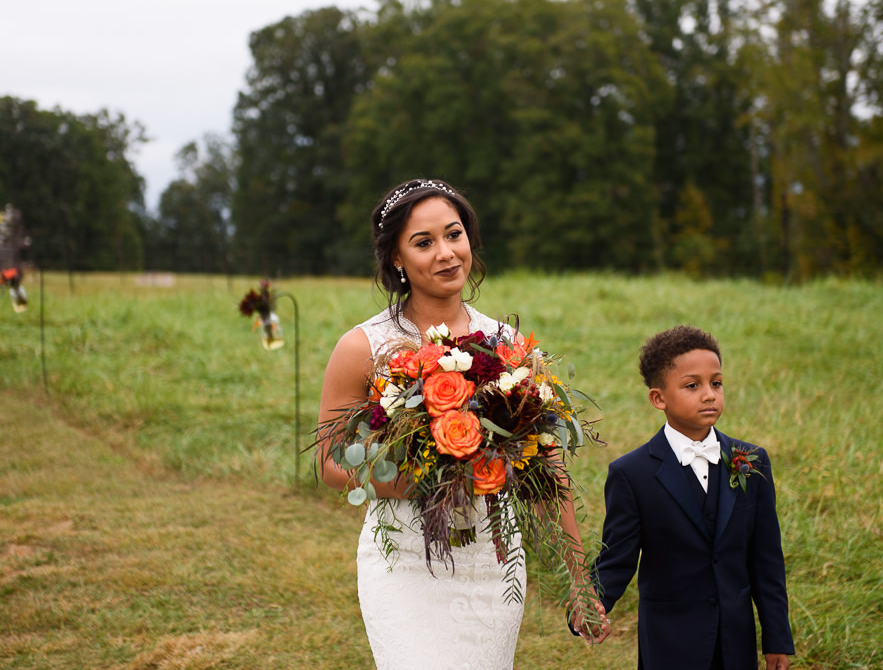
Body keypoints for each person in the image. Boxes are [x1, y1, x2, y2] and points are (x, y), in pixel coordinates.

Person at [317, 178, 607, 670]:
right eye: (424, 243)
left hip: (492, 562)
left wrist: (580, 579)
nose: (446, 253)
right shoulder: (362, 347)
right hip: (402, 558)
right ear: (396, 259)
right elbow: (329, 463)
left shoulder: (507, 343)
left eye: (454, 234)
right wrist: (411, 481)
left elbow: (548, 469)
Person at [587, 325, 794, 670]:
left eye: (716, 383)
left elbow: (767, 560)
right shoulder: (632, 474)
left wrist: (776, 640)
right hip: (669, 645)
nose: (709, 394)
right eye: (692, 386)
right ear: (658, 398)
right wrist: (589, 604)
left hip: (735, 645)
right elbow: (617, 558)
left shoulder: (751, 461)